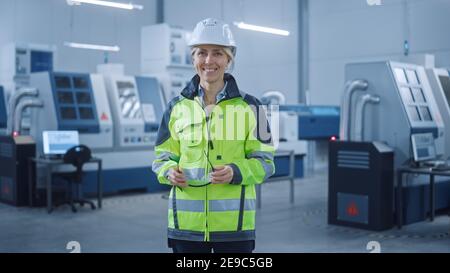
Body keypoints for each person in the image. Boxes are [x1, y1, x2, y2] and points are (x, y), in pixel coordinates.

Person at [152, 18, 275, 253]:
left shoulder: (253, 107)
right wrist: (168, 171)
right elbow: (160, 158)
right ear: (193, 59)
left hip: (234, 230)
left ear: (229, 59)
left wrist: (236, 171)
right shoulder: (175, 108)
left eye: (217, 53)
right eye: (201, 53)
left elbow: (266, 162)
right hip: (186, 229)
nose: (209, 61)